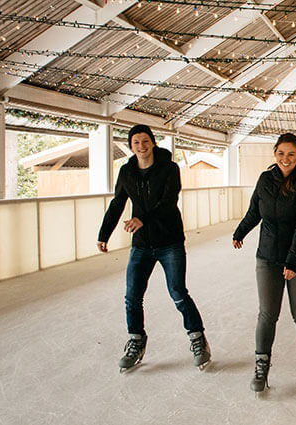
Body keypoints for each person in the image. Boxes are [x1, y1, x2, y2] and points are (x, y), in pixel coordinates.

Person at [97, 124, 211, 372]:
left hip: (169, 241)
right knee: (132, 296)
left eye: (145, 141)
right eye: (136, 142)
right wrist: (104, 233)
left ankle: (197, 338)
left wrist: (142, 219)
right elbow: (117, 203)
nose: (141, 146)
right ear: (131, 146)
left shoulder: (169, 169)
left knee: (178, 292)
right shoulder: (127, 172)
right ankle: (136, 340)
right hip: (141, 244)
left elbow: (169, 201)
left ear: (153, 143)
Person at [232, 133, 296, 393]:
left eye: (291, 154)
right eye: (281, 153)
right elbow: (254, 211)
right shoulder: (264, 179)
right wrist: (240, 231)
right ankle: (261, 367)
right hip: (267, 257)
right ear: (275, 154)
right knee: (267, 314)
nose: (286, 159)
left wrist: (292, 260)